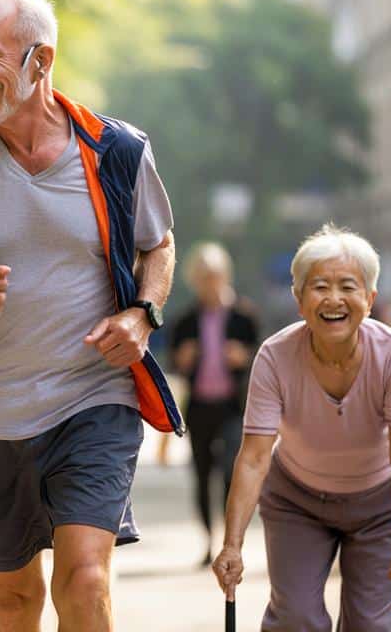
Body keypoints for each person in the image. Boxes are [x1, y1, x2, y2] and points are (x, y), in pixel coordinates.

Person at [0, 0, 183, 631]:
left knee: (84, 581)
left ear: (40, 60)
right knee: (13, 599)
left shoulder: (118, 151)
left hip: (93, 400)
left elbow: (159, 246)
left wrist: (141, 314)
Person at [212, 224, 391, 630]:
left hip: (378, 505)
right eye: (320, 286)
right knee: (296, 619)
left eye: (348, 286)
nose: (333, 299)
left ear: (370, 298)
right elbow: (255, 457)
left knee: (371, 626)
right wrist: (232, 545)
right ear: (298, 300)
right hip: (297, 501)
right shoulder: (275, 357)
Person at [170, 242, 259, 566]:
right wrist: (182, 359)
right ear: (194, 280)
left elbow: (261, 359)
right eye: (203, 277)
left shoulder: (244, 316)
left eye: (215, 275)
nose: (210, 282)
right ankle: (208, 539)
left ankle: (229, 540)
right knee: (202, 474)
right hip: (200, 407)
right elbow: (174, 362)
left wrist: (244, 357)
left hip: (232, 407)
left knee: (229, 473)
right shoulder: (186, 320)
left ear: (225, 276)